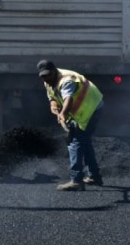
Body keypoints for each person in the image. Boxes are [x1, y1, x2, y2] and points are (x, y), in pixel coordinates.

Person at [37, 60, 104, 191]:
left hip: (92, 108)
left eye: (48, 75)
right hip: (84, 110)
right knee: (84, 141)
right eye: (43, 76)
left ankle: (77, 180)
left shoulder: (66, 80)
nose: (46, 78)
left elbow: (68, 99)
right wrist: (53, 105)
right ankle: (94, 176)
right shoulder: (47, 80)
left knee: (75, 141)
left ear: (54, 71)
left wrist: (62, 113)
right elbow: (52, 96)